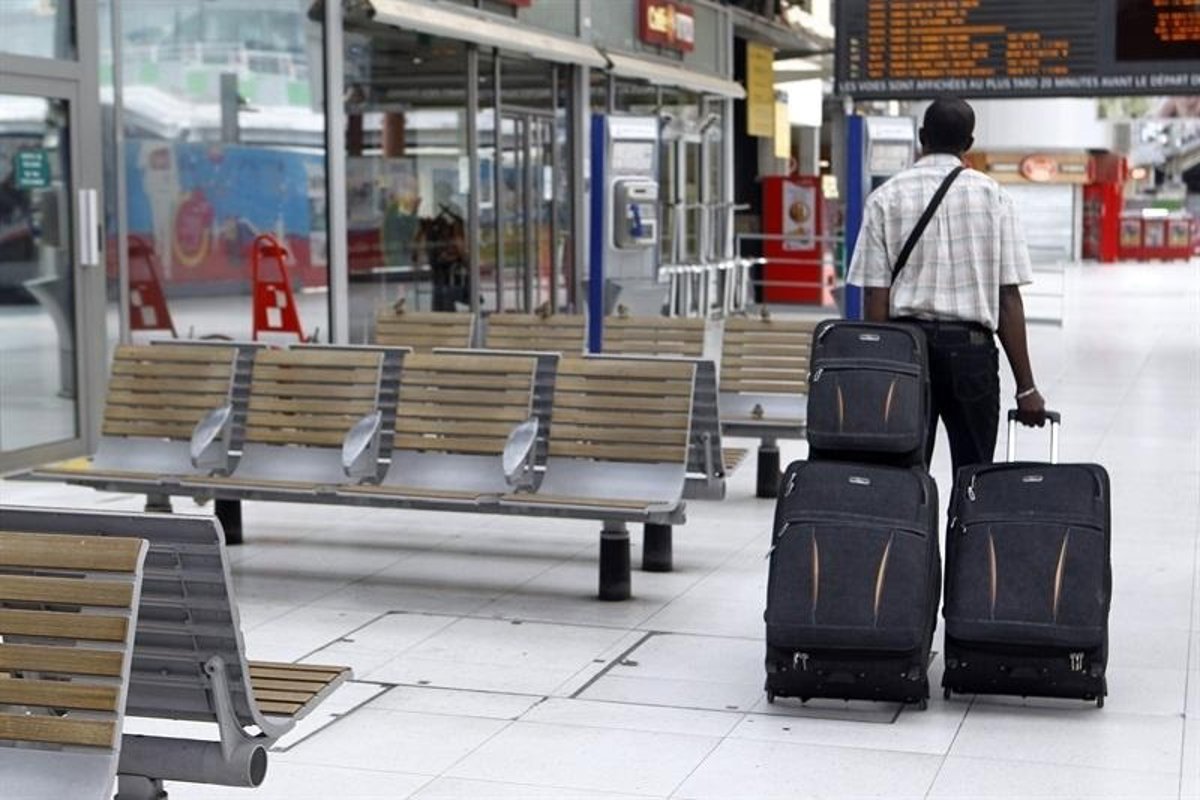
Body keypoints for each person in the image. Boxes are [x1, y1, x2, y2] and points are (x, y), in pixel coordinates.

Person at [846, 96, 1048, 477]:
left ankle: (912, 517)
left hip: (908, 353)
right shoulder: (995, 198)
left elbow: (875, 295)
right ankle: (966, 518)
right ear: (968, 143)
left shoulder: (885, 198)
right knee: (974, 475)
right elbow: (1008, 298)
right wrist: (1026, 388)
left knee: (903, 471)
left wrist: (878, 373)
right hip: (972, 355)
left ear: (921, 136)